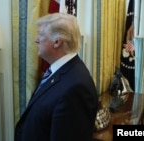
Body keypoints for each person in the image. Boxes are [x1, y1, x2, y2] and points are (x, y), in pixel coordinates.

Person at [14, 13, 98, 141]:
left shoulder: (76, 88)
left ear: (57, 42)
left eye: (41, 34)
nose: (36, 39)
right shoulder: (59, 69)